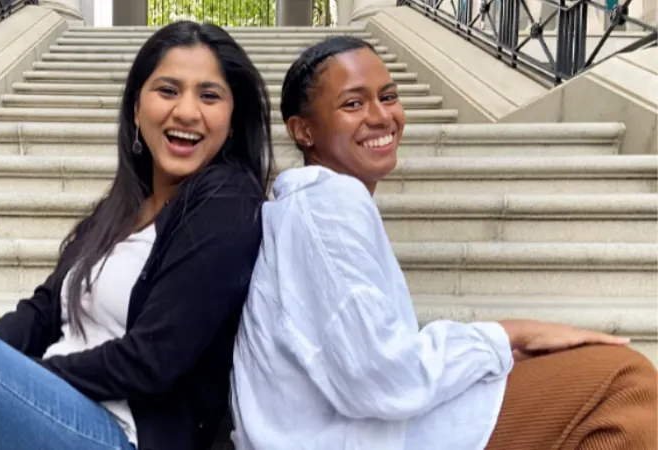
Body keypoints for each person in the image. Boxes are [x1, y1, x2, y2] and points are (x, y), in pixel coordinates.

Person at [0, 21, 274, 450]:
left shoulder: (227, 202)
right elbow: (40, 313)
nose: (187, 111)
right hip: (58, 410)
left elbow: (154, 359)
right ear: (136, 109)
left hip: (121, 433)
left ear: (232, 114)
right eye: (167, 90)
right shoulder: (122, 210)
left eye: (209, 95)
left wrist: (25, 375)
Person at [230, 36, 657, 450]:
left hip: (345, 429)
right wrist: (512, 334)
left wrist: (496, 354)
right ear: (303, 130)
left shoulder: (307, 205)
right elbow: (382, 377)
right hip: (349, 435)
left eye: (389, 95)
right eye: (353, 103)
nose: (381, 116)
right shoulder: (329, 203)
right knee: (625, 383)